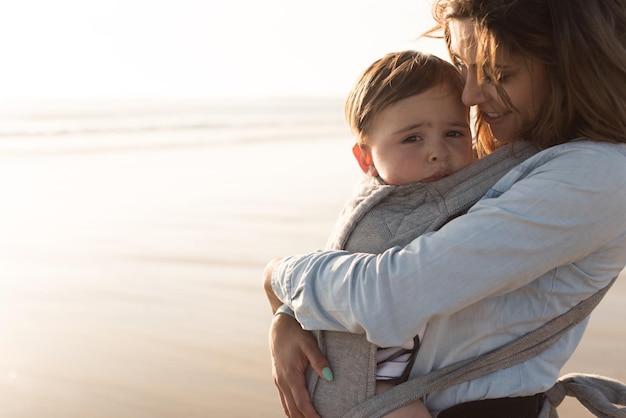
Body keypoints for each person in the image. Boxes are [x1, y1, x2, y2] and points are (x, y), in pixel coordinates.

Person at [264, 0, 626, 417]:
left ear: (570, 64)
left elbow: (388, 297)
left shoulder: (595, 174)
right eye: (463, 67)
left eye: (498, 73)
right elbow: (399, 255)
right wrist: (292, 314)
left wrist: (279, 275)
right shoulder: (525, 157)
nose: (469, 95)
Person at [267, 49, 475, 418]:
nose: (437, 151)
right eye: (412, 138)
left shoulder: (396, 196)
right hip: (364, 386)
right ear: (366, 158)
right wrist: (283, 309)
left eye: (454, 132)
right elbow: (334, 264)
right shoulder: (390, 210)